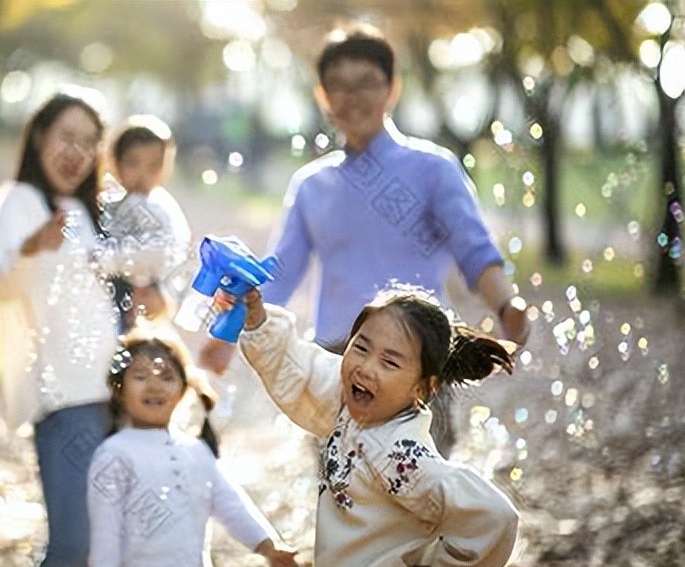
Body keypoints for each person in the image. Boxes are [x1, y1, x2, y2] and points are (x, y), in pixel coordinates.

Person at [197, 24, 529, 453]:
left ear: (393, 88)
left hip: (419, 359)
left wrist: (507, 305)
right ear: (322, 95)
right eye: (339, 85)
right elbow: (281, 272)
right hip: (337, 363)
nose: (352, 97)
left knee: (423, 492)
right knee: (341, 494)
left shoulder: (433, 169)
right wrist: (228, 334)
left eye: (367, 83)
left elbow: (475, 251)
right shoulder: (312, 184)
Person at [236, 285, 519, 567]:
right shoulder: (349, 406)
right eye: (361, 347)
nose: (366, 368)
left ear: (423, 388)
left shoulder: (402, 456)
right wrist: (258, 321)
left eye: (389, 362)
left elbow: (496, 516)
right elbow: (306, 369)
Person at [0, 93, 120, 567]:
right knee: (71, 544)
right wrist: (31, 248)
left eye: (89, 142)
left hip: (107, 395)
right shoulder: (18, 200)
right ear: (39, 138)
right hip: (63, 398)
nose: (77, 151)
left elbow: (98, 300)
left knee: (101, 554)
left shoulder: (85, 212)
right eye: (67, 136)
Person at [87, 328, 303, 567]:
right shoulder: (114, 453)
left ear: (184, 388)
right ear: (119, 387)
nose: (154, 385)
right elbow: (104, 529)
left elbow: (231, 504)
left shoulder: (196, 450)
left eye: (166, 377)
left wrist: (268, 547)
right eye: (140, 376)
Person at [105, 114, 193, 328]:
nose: (143, 174)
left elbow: (168, 254)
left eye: (153, 165)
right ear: (115, 162)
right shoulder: (109, 204)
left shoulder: (161, 208)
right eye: (133, 163)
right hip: (111, 302)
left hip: (149, 303)